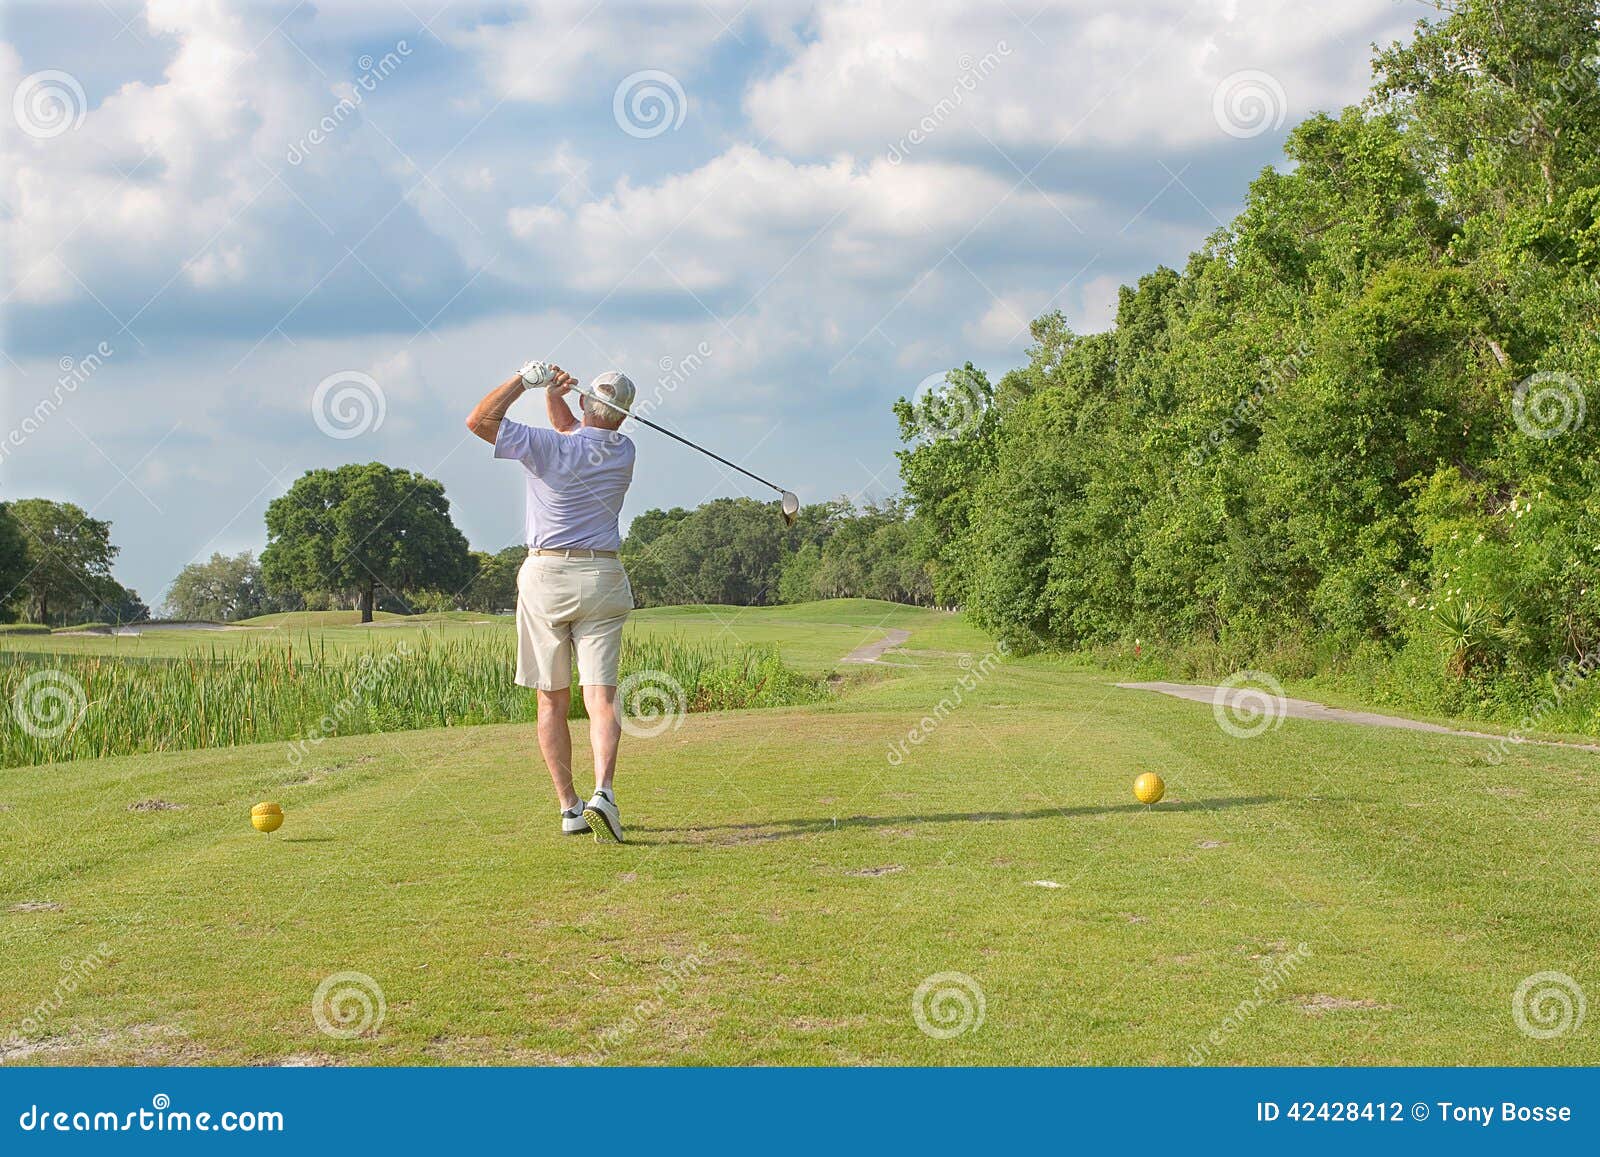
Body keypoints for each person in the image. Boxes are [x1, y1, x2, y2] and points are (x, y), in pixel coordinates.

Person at [466, 361, 637, 843]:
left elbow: (479, 421)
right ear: (623, 416)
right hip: (603, 575)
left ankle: (570, 808)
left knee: (552, 700)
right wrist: (555, 395)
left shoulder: (548, 447)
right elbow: (574, 432)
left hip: (547, 576)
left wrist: (525, 381)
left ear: (586, 402)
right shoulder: (624, 449)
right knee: (600, 697)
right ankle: (604, 790)